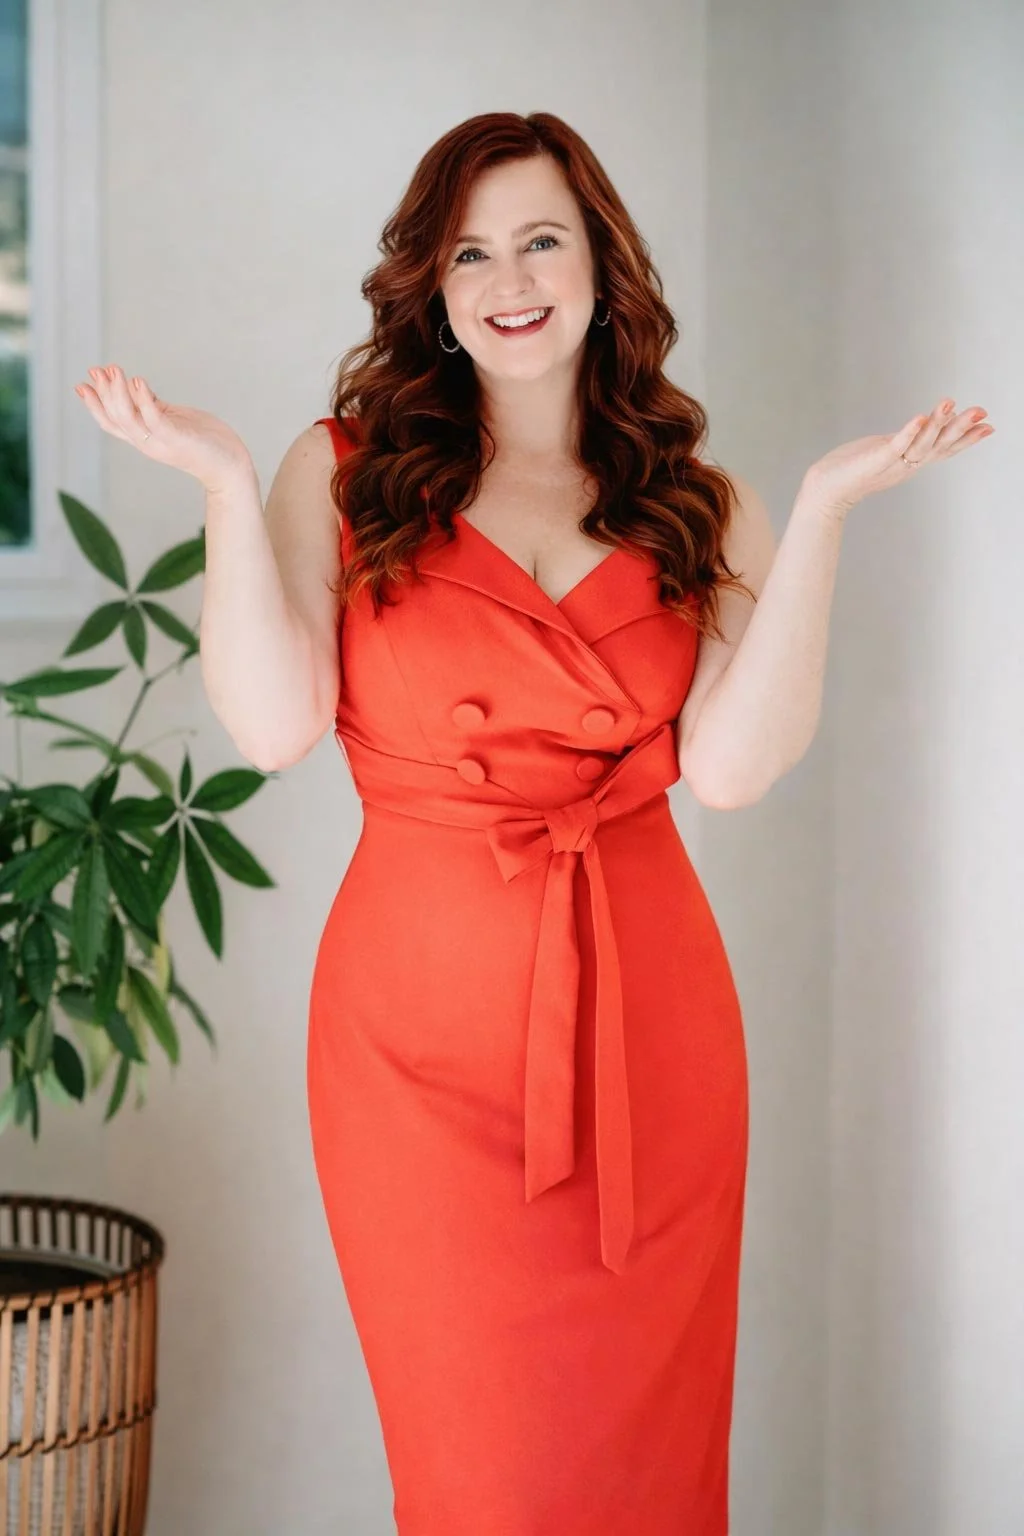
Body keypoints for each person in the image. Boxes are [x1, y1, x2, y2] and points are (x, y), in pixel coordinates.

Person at [75, 109, 991, 1536]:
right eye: (471, 252)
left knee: (648, 1472)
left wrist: (819, 514)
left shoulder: (699, 504)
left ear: (601, 263)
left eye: (542, 239)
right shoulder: (347, 470)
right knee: (478, 1477)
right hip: (416, 1052)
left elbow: (735, 768)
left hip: (652, 1039)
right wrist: (214, 483)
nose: (511, 277)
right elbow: (271, 727)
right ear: (433, 292)